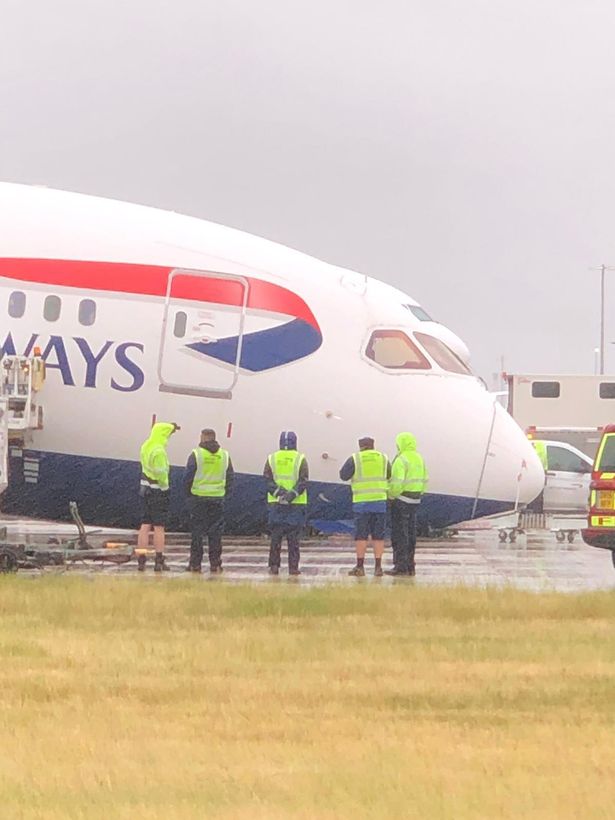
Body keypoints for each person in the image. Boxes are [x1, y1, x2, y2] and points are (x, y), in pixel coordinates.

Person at [184, 428, 234, 573]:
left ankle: (195, 564)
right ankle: (215, 564)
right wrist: (225, 494)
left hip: (198, 498)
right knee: (215, 534)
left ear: (203, 438)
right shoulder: (224, 455)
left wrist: (188, 495)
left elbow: (188, 477)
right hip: (217, 498)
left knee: (197, 533)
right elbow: (230, 477)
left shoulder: (196, 454)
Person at [339, 437, 391, 577]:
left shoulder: (355, 458)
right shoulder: (383, 458)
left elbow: (343, 475)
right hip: (379, 502)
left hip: (361, 504)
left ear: (361, 446)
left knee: (361, 536)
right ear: (373, 446)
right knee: (378, 536)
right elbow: (389, 475)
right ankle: (378, 567)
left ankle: (360, 567)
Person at [264, 431, 309, 576]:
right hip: (296, 504)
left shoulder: (271, 458)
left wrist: (279, 493)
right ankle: (293, 567)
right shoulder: (300, 458)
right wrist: (291, 495)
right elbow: (303, 481)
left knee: (275, 537)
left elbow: (267, 480)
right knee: (294, 539)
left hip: (275, 503)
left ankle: (274, 566)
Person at [137, 421, 180, 572]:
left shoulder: (146, 446)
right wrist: (165, 488)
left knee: (144, 525)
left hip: (145, 488)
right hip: (157, 491)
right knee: (159, 527)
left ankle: (141, 560)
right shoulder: (159, 451)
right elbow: (162, 473)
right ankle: (158, 560)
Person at [386, 433, 428, 576]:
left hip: (401, 500)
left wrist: (391, 496)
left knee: (399, 534)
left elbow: (397, 482)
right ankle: (411, 565)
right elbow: (425, 479)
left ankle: (400, 566)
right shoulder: (419, 459)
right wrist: (419, 493)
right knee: (411, 533)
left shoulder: (401, 459)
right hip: (415, 501)